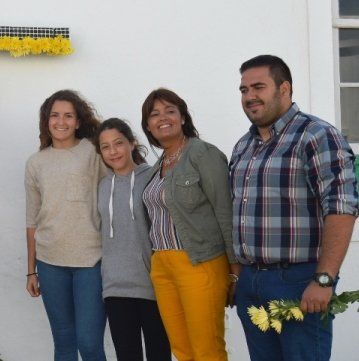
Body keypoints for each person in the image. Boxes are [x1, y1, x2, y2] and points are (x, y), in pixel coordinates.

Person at [231, 55, 358, 361]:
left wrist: (324, 279)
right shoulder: (243, 147)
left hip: (299, 282)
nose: (249, 96)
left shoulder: (316, 135)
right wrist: (238, 278)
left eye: (258, 87)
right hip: (251, 282)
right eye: (243, 90)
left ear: (284, 88)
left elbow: (342, 207)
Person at [139, 88, 237, 361]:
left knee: (207, 349)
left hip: (199, 262)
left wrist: (234, 270)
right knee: (182, 350)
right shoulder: (158, 164)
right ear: (148, 125)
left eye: (170, 111)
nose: (163, 118)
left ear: (182, 117)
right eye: (154, 114)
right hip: (162, 265)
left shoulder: (203, 154)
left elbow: (224, 211)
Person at [24, 90, 107, 361]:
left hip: (91, 261)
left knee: (89, 343)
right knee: (63, 342)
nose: (61, 121)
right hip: (50, 263)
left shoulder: (94, 153)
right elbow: (32, 219)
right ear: (46, 120)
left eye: (68, 116)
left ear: (79, 121)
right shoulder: (36, 163)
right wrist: (31, 271)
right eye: (55, 115)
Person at [94, 118, 171, 361]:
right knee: (127, 356)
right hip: (115, 288)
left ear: (132, 143)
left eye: (118, 143)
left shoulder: (153, 177)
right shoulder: (103, 186)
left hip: (153, 286)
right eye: (105, 147)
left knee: (159, 354)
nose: (113, 151)